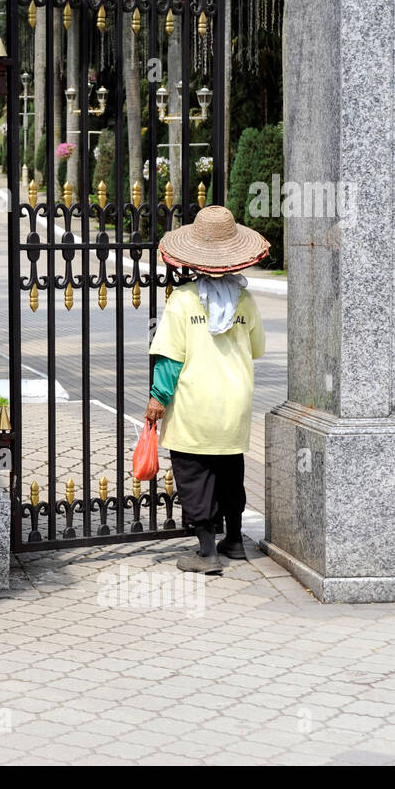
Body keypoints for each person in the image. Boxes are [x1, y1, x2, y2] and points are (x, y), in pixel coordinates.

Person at [145, 204, 270, 575]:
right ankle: (233, 540)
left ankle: (206, 553)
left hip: (194, 406)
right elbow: (258, 349)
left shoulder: (183, 300)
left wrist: (157, 399)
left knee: (195, 476)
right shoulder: (244, 300)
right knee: (231, 472)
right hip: (235, 405)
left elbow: (170, 359)